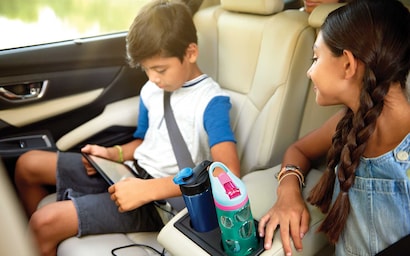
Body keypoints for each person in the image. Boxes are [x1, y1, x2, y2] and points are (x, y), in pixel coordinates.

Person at [14, 0, 240, 255]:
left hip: (162, 200)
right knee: (27, 165)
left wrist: (147, 189)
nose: (153, 78)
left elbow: (228, 173)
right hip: (128, 173)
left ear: (190, 53)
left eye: (160, 69)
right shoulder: (151, 91)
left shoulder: (211, 102)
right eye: (146, 69)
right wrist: (113, 154)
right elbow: (145, 142)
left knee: (44, 222)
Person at [258, 0, 410, 255]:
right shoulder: (349, 122)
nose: (309, 72)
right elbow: (299, 150)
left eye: (316, 58)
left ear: (348, 64)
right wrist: (288, 190)